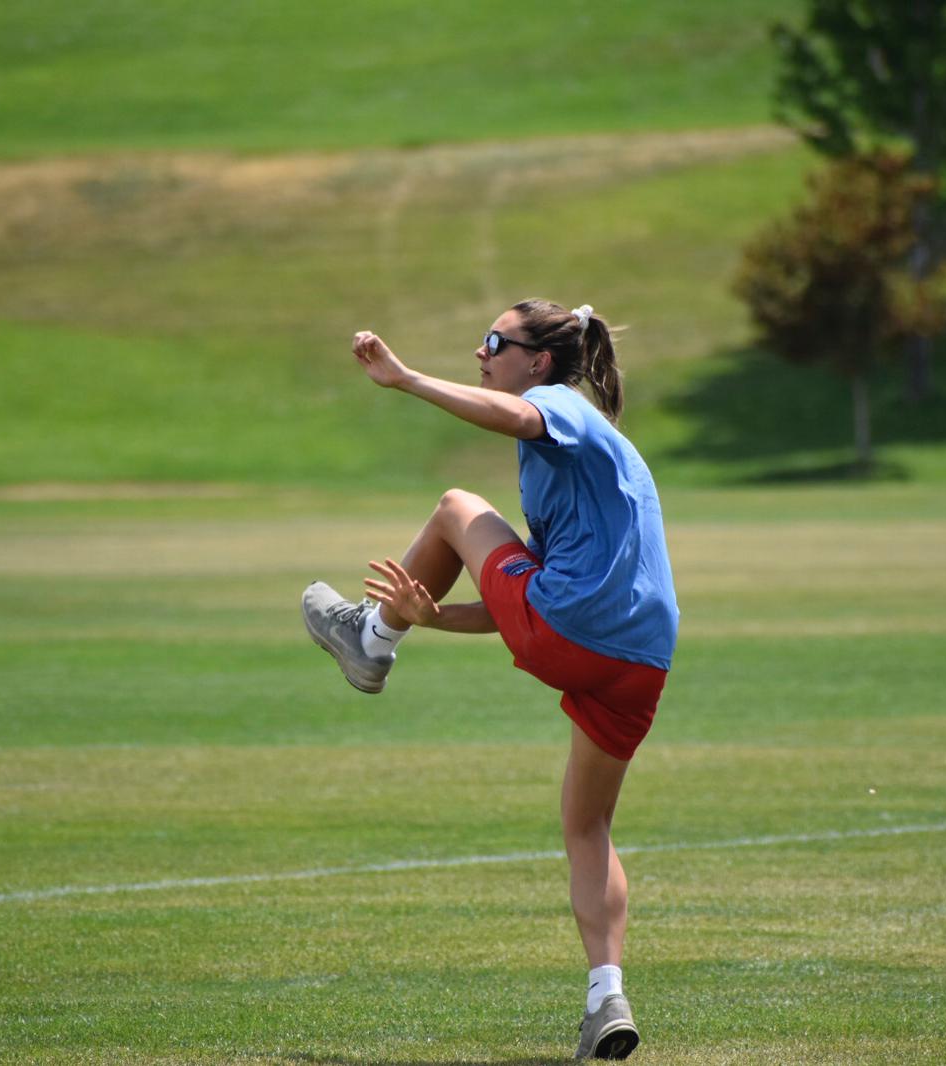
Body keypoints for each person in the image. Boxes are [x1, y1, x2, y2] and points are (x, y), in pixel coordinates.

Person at [301, 298, 678, 1060]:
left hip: (573, 632)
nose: (482, 353)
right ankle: (607, 995)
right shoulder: (601, 466)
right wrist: (435, 617)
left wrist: (406, 379)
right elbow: (533, 610)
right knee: (587, 826)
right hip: (640, 662)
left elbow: (516, 421)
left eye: (494, 342)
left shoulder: (555, 404)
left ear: (538, 362)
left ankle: (370, 640)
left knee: (454, 506)